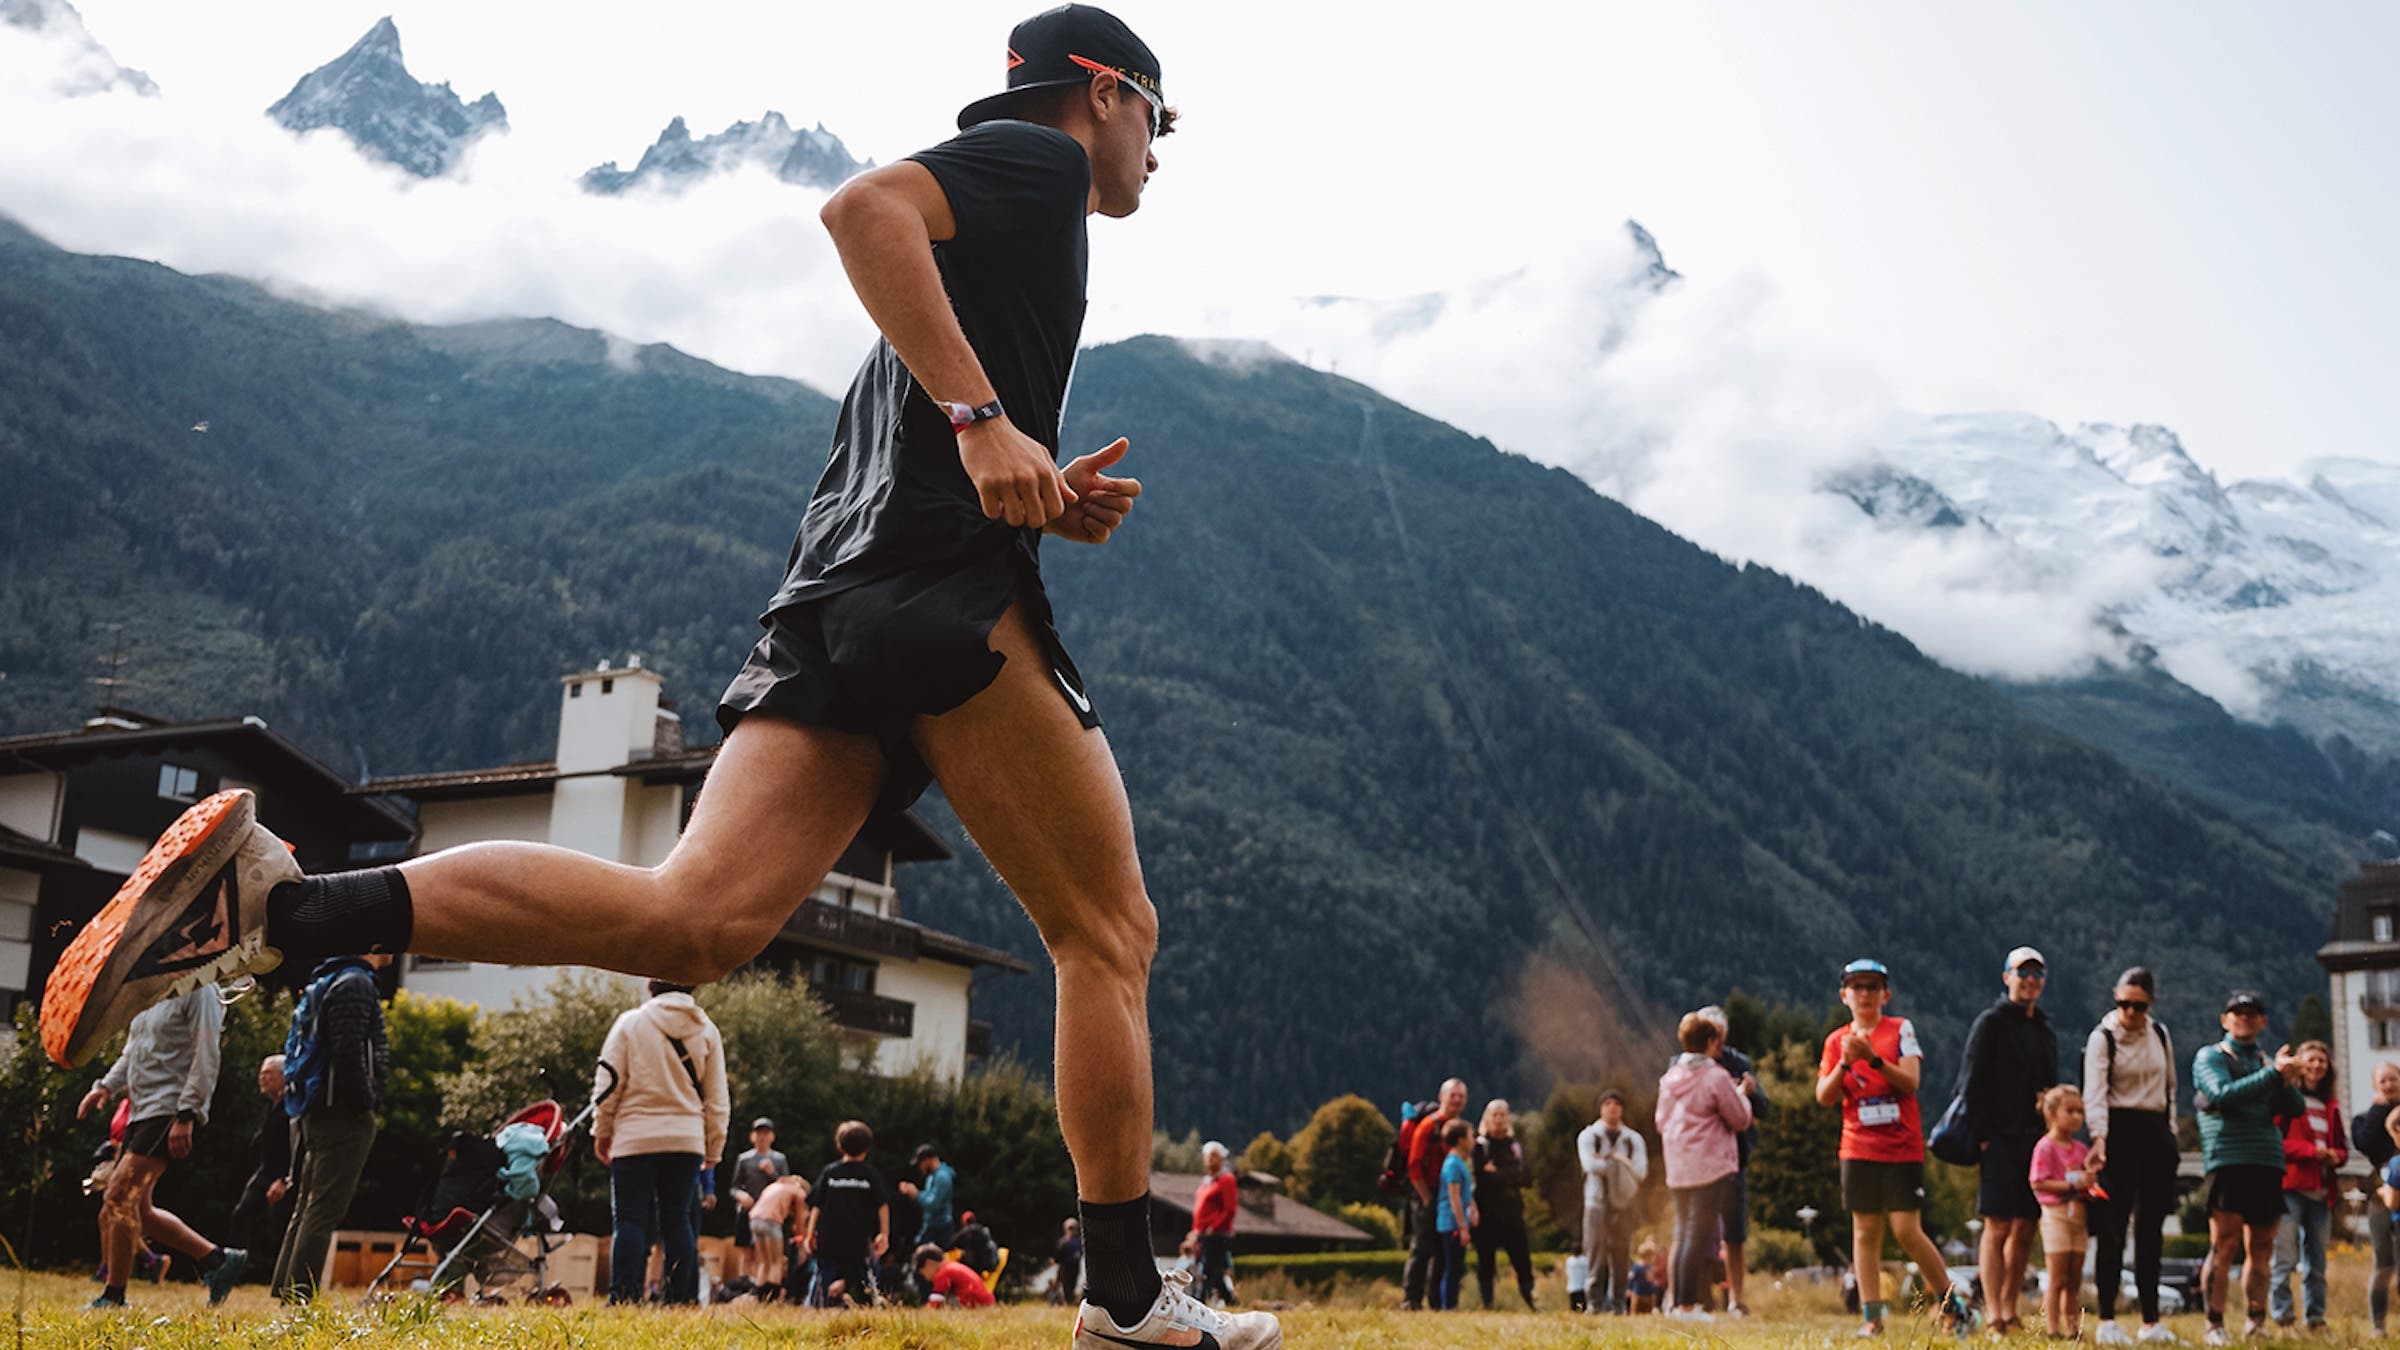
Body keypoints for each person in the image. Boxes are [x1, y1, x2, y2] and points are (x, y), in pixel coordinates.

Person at [37, 8, 1277, 1349]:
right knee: (1109, 933)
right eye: (1160, 118)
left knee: (692, 919)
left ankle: (290, 898)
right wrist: (986, 428)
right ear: (1103, 94)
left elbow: (913, 403)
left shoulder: (995, 236)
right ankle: (1125, 1299)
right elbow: (861, 210)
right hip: (936, 599)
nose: (1158, 152)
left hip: (838, 603)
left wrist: (1024, 475)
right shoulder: (1037, 171)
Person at [1815, 957, 1972, 1337]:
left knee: (1906, 1230)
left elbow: (1911, 1082)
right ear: (1844, 995)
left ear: (1886, 994)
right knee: (1865, 1231)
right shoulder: (1837, 1041)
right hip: (1857, 1147)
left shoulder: (1900, 1029)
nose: (1865, 993)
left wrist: (1873, 1060)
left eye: (1872, 987)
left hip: (1901, 1147)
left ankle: (1953, 1306)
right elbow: (1823, 1096)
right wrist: (1845, 1065)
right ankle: (1872, 1319)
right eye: (1857, 987)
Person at [76, 985, 245, 1310]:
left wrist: (188, 1112)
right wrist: (105, 1088)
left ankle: (114, 1296)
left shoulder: (201, 990)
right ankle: (217, 1260)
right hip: (140, 1111)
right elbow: (132, 1053)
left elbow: (206, 1052)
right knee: (141, 1212)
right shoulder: (150, 992)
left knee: (117, 1198)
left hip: (169, 1108)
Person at [593, 978, 728, 1305]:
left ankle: (624, 1297)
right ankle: (680, 1300)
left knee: (629, 1220)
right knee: (678, 1219)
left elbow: (608, 1083)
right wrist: (713, 1147)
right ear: (690, 987)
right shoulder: (707, 1029)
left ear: (650, 987)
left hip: (634, 1136)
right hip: (686, 1139)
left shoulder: (630, 1023)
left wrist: (603, 1130)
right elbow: (717, 1098)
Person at [2191, 989, 2307, 1345]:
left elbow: (2296, 1108)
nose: (2244, 1018)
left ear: (2262, 1021)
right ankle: (2214, 1324)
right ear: (2224, 1020)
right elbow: (2222, 1095)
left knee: (2262, 1249)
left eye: (2251, 1013)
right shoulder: (2210, 1056)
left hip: (2267, 1160)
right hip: (2228, 1157)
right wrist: (2274, 1077)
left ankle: (2255, 1321)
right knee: (2224, 1244)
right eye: (2237, 1013)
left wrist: (2283, 1079)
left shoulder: (2267, 1062)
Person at [272, 953, 390, 1302]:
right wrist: (365, 1101)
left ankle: (285, 1288)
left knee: (308, 1205)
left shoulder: (329, 979)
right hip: (341, 1111)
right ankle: (298, 1297)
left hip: (316, 1106)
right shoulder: (355, 983)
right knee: (324, 1208)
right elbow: (348, 1048)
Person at [1956, 945, 2057, 1335]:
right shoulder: (1990, 1023)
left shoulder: (2044, 1030)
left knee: (2026, 1227)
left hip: (2036, 1142)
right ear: (2006, 977)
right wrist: (1983, 1136)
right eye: (2022, 972)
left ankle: (2011, 1309)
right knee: (1997, 1225)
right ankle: (1995, 1312)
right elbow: (1971, 1082)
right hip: (1998, 1138)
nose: (2030, 980)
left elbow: (2050, 1090)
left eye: (2037, 974)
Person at [2082, 965, 2179, 1346]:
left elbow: (2170, 1085)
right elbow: (2095, 1092)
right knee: (2112, 1228)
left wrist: (2170, 1130)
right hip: (2118, 1131)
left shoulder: (2159, 1033)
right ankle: (2106, 1317)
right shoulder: (2103, 1037)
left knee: (2151, 1230)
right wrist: (2099, 1138)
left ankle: (2151, 1322)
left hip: (2155, 1129)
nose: (2131, 1012)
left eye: (2138, 1005)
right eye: (2123, 1003)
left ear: (2150, 1003)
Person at [1657, 1010, 1754, 1322]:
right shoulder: (1715, 1077)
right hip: (1710, 1166)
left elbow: (1660, 1121)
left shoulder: (1669, 1079)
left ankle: (1676, 1303)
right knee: (1698, 1236)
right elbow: (1739, 1118)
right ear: (1712, 1042)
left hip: (1678, 1166)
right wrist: (1742, 1095)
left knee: (1683, 1232)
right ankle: (1687, 1306)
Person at [1696, 1004, 1768, 1316]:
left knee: (1735, 1233)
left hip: (1734, 1159)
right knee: (1695, 1231)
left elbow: (1763, 1108)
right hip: (1698, 1159)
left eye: (1721, 1035)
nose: (1717, 1041)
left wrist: (1750, 1093)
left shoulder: (1738, 1063)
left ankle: (1736, 1300)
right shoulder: (1685, 1065)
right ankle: (1696, 1298)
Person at [2268, 1039, 2343, 1330]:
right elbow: (2277, 1141)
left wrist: (2336, 1156)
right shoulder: (2288, 1101)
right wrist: (2313, 1153)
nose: (2316, 1066)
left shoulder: (2331, 1106)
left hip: (2322, 1190)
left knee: (2317, 1262)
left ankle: (2316, 1318)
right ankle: (2283, 1316)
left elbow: (2341, 1146)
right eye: (2310, 1060)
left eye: (2322, 1061)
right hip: (2291, 1187)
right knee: (2284, 1256)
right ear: (2300, 1064)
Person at [2029, 1085, 2095, 1340]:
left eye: (2081, 1111)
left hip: (2078, 1214)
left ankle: (2072, 1327)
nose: (2077, 1116)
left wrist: (2090, 1183)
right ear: (2052, 1113)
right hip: (2055, 1214)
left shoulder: (2080, 1149)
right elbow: (2038, 1181)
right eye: (2070, 1111)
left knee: (2074, 1277)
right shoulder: (2045, 1147)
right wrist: (2071, 1185)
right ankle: (2052, 1328)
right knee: (2057, 1276)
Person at [805, 1120, 893, 1308]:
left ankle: (814, 1307)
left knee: (823, 1275)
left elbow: (816, 1205)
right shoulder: (870, 1175)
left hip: (829, 1237)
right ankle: (874, 1305)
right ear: (867, 1148)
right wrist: (884, 1234)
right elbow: (883, 1204)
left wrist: (809, 1233)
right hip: (857, 1238)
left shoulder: (830, 1173)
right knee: (864, 1276)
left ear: (838, 1146)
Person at [1576, 1088, 1648, 1313]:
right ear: (1601, 1108)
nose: (1612, 1108)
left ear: (1622, 1109)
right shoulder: (1589, 1136)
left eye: (1616, 1104)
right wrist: (1619, 1162)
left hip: (1624, 1203)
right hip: (1596, 1202)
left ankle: (1618, 1304)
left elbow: (1640, 1172)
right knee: (1595, 1253)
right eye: (1607, 1104)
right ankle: (1594, 1304)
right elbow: (1589, 1165)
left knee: (1621, 1254)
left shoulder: (1632, 1139)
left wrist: (1606, 1160)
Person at [1404, 1078, 1468, 1310]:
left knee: (1442, 1250)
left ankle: (1436, 1301)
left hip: (1445, 1195)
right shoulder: (1428, 1126)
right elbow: (1414, 1164)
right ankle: (1411, 1300)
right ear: (1442, 1097)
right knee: (1422, 1247)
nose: (1458, 1100)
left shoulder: (1458, 1128)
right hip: (1427, 1194)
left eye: (1461, 1096)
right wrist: (1425, 1197)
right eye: (1454, 1095)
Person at [226, 1054, 293, 1272]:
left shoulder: (293, 1108)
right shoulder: (270, 1106)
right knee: (241, 1215)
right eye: (261, 1073)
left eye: (268, 1074)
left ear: (284, 1076)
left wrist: (285, 1179)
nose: (262, 1078)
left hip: (286, 1175)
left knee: (280, 1226)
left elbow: (297, 1148)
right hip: (265, 1171)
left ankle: (282, 1273)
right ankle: (233, 1267)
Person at [1471, 1099, 1535, 1311]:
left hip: (1512, 1213)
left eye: (1502, 1115)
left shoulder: (1515, 1147)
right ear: (1487, 1119)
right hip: (1486, 1214)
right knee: (1485, 1261)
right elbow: (1477, 1177)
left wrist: (1496, 1173)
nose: (1498, 1119)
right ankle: (1487, 1303)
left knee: (1522, 1259)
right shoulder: (1479, 1147)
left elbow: (1527, 1178)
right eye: (1494, 1115)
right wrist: (1508, 1175)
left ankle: (1530, 1300)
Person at [2354, 1061, 2400, 1337]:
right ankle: (2378, 1325)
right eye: (2382, 1080)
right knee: (2383, 1261)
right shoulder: (2364, 1119)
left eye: (2393, 1078)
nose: (2389, 1084)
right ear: (2375, 1086)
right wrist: (2381, 1111)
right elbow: (2367, 1143)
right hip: (2381, 1194)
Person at [731, 1117, 790, 1284]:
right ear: (752, 1136)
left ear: (772, 1136)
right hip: (746, 1210)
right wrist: (740, 1195)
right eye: (758, 1133)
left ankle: (760, 1285)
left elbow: (786, 1186)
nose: (762, 1137)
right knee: (746, 1253)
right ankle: (743, 1285)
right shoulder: (744, 1159)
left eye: (766, 1133)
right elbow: (733, 1187)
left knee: (763, 1253)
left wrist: (772, 1173)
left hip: (769, 1213)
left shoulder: (779, 1159)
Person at [1433, 1118, 1475, 1311]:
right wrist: (1462, 1226)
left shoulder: (1459, 1163)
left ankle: (1450, 1304)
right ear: (1460, 1140)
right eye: (1470, 1136)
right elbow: (1454, 1198)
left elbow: (1465, 1194)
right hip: (1451, 1223)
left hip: (1455, 1223)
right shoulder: (1452, 1165)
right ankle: (1449, 1306)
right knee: (1452, 1268)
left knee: (1455, 1267)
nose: (1473, 1140)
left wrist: (1474, 1208)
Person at [1191, 1141, 1239, 1305]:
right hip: (1203, 1233)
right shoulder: (1207, 1182)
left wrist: (1214, 1227)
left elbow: (1229, 1209)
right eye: (1208, 1156)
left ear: (1222, 1159)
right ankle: (1232, 1302)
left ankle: (1198, 1302)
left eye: (1214, 1156)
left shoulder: (1226, 1180)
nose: (1210, 1160)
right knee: (1214, 1272)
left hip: (1217, 1234)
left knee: (1207, 1269)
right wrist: (1196, 1231)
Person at [746, 1174, 808, 1291]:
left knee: (764, 1261)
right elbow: (799, 1222)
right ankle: (771, 1296)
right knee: (776, 1262)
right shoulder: (798, 1191)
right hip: (771, 1221)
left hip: (754, 1220)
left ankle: (759, 1295)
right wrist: (801, 1243)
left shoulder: (773, 1186)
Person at [899, 1143, 958, 1250]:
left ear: (928, 1160)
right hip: (931, 1225)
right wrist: (913, 1193)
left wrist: (916, 1194)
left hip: (941, 1228)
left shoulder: (942, 1177)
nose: (920, 1167)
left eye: (920, 1163)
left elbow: (933, 1205)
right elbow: (927, 1197)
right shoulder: (932, 1176)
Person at [916, 1242, 998, 1308]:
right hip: (987, 1303)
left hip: (977, 1306)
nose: (926, 1278)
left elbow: (935, 1303)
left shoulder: (943, 1273)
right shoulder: (951, 1266)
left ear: (929, 1263)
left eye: (923, 1273)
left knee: (946, 1301)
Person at [1052, 1217, 1084, 1306]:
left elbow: (1081, 1253)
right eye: (1070, 1228)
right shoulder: (1063, 1242)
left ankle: (1069, 1301)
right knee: (1065, 1285)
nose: (1072, 1231)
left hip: (1075, 1266)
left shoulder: (1079, 1242)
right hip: (1064, 1267)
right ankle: (1066, 1301)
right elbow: (1058, 1255)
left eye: (1073, 1228)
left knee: (1072, 1284)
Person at [1626, 1238, 1662, 1314]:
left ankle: (1651, 1311)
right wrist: (1629, 1288)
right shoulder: (1637, 1267)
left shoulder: (1651, 1267)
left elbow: (1652, 1281)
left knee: (1649, 1307)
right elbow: (1631, 1278)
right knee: (1635, 1309)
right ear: (1646, 1256)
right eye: (1652, 1255)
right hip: (1638, 1293)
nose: (1654, 1258)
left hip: (1649, 1293)